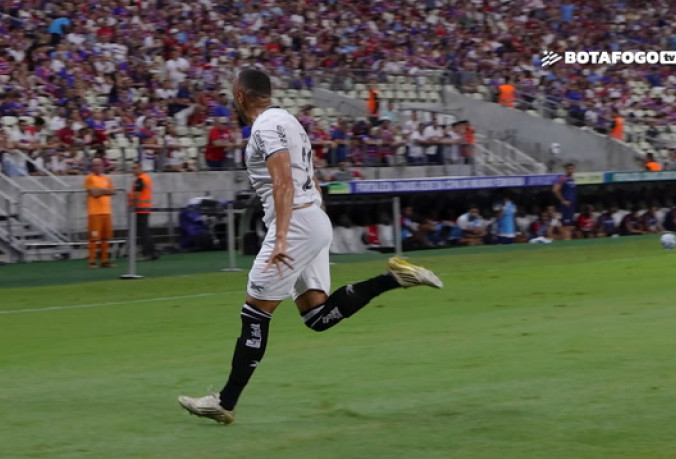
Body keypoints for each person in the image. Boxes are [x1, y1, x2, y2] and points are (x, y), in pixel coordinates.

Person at [178, 69, 443, 425]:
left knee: (255, 313)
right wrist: (313, 225)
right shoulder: (290, 121)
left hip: (297, 224)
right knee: (316, 316)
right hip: (312, 217)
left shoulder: (265, 127)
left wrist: (283, 237)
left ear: (240, 96)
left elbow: (284, 182)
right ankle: (392, 279)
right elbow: (311, 178)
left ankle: (225, 402)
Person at [84, 158, 116, 269]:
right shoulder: (89, 178)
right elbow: (94, 193)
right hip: (94, 212)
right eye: (94, 165)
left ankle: (104, 260)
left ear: (102, 166)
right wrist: (105, 191)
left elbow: (113, 191)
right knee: (93, 238)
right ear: (92, 167)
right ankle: (92, 261)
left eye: (99, 165)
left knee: (105, 238)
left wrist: (101, 190)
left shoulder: (107, 179)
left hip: (106, 211)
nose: (97, 167)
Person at [129, 162, 157, 261]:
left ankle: (147, 253)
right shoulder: (146, 178)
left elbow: (136, 194)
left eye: (135, 168)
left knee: (143, 232)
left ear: (141, 168)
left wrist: (132, 205)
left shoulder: (140, 179)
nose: (133, 170)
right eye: (133, 168)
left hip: (140, 209)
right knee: (146, 231)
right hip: (146, 208)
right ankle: (152, 252)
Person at [552, 163, 577, 240]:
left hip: (572, 205)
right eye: (568, 169)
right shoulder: (562, 179)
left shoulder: (572, 179)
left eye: (572, 169)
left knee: (570, 226)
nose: (570, 170)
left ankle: (568, 239)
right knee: (565, 225)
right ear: (565, 169)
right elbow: (555, 190)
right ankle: (566, 240)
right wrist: (563, 200)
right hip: (566, 205)